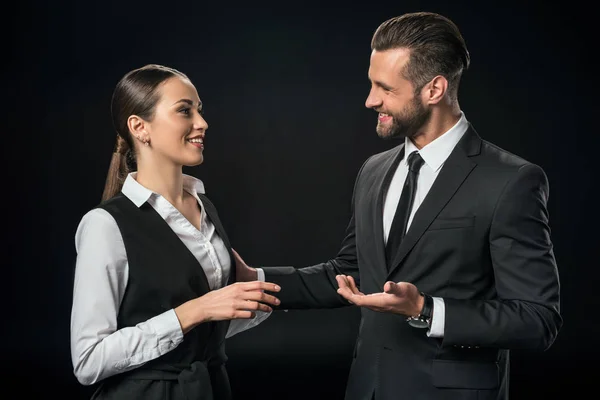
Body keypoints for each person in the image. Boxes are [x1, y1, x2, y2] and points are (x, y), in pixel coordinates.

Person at [234, 11, 562, 400]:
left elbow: (537, 320)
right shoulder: (374, 170)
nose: (371, 100)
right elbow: (349, 272)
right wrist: (254, 280)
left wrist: (425, 309)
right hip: (368, 388)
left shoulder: (511, 181)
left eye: (384, 88)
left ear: (434, 90)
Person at [69, 63, 281, 400]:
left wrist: (256, 297)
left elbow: (208, 328)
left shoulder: (204, 207)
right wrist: (194, 310)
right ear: (140, 127)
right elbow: (88, 361)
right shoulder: (104, 225)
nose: (202, 123)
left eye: (199, 109)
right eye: (185, 110)